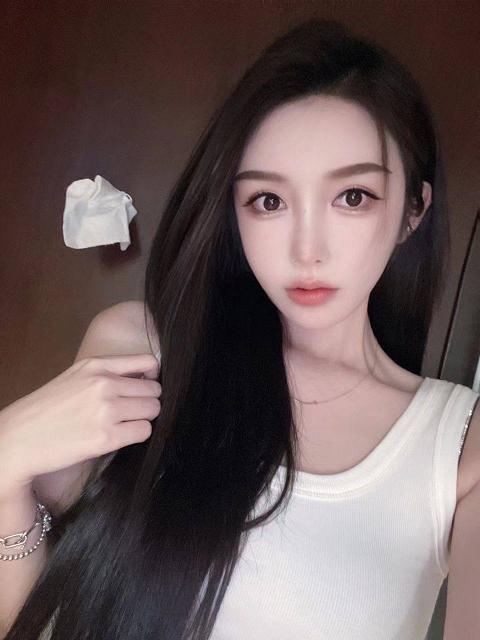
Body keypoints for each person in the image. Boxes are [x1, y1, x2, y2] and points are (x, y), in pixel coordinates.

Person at [1, 17, 479, 640]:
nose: (307, 250)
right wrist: (7, 459)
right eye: (268, 201)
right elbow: (31, 613)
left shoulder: (458, 449)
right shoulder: (141, 349)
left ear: (413, 211)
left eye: (353, 197)